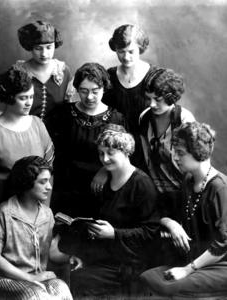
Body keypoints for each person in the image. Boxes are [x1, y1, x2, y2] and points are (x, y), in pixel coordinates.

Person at [59, 124, 159, 296]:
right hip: (104, 254)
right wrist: (80, 253)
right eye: (101, 153)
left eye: (110, 153)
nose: (104, 159)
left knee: (80, 280)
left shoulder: (142, 184)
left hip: (129, 262)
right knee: (68, 272)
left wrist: (114, 233)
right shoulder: (104, 181)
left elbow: (150, 233)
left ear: (126, 152)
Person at [140, 122, 227, 297]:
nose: (175, 158)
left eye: (180, 153)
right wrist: (172, 224)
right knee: (147, 276)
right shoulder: (188, 180)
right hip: (195, 260)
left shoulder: (220, 188)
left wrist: (187, 270)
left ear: (199, 152)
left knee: (165, 286)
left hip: (220, 264)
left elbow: (223, 244)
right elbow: (164, 211)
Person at [0, 156, 81, 300]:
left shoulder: (47, 214)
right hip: (10, 279)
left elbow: (51, 251)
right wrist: (29, 277)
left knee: (62, 288)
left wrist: (69, 257)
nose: (49, 186)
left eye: (49, 181)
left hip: (40, 279)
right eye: (43, 182)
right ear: (27, 183)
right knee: (37, 296)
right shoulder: (5, 211)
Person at [48, 62, 125, 217]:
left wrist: (105, 170)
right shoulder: (63, 113)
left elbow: (125, 157)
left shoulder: (117, 119)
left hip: (100, 188)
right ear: (77, 90)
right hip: (65, 188)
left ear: (104, 88)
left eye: (95, 91)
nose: (89, 97)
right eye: (83, 91)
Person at [0, 65, 54, 206]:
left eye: (31, 97)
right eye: (23, 98)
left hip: (36, 210)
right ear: (9, 98)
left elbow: (49, 172)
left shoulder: (38, 125)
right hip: (0, 209)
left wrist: (45, 210)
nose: (29, 103)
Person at [139, 67, 195, 219]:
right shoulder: (144, 118)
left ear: (171, 96)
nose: (151, 104)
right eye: (148, 98)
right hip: (155, 193)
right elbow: (147, 160)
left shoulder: (184, 120)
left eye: (157, 99)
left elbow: (194, 165)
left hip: (184, 193)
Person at [102, 23, 157, 169]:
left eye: (131, 51)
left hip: (149, 152)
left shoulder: (155, 77)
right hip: (116, 149)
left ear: (140, 48)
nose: (126, 57)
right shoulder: (109, 76)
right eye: (121, 51)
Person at [15, 20, 75, 127]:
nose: (44, 54)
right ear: (30, 47)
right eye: (38, 48)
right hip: (26, 131)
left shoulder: (63, 71)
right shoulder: (19, 72)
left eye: (49, 47)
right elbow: (12, 109)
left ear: (54, 45)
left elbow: (69, 108)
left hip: (57, 133)